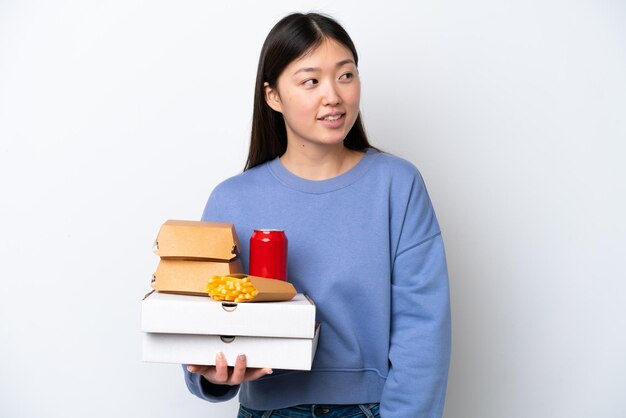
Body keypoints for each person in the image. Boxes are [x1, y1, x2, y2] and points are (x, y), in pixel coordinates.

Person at [183, 12, 451, 418]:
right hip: (267, 410)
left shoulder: (396, 184)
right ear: (273, 96)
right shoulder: (231, 200)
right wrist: (211, 375)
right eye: (311, 81)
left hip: (369, 409)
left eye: (345, 75)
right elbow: (201, 328)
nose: (334, 96)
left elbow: (423, 330)